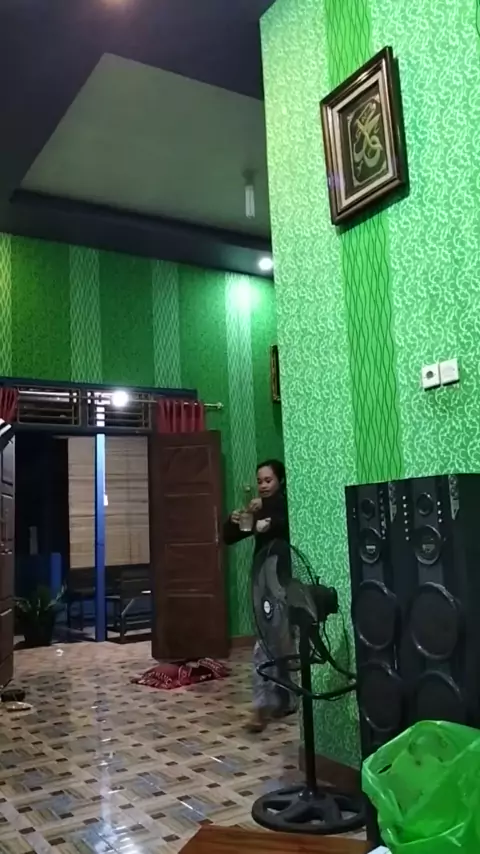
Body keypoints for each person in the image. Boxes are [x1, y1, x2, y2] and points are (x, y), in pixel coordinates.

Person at [223, 459, 296, 732]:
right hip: (262, 577)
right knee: (269, 637)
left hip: (282, 578)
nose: (263, 485)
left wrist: (267, 515)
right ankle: (271, 702)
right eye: (260, 481)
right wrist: (233, 520)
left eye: (268, 480)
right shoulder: (257, 508)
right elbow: (230, 537)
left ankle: (270, 703)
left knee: (277, 639)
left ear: (280, 481)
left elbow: (283, 522)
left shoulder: (285, 505)